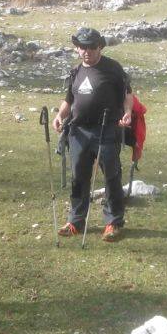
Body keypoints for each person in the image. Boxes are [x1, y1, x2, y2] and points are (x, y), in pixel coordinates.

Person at [52, 27, 132, 242]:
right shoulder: (76, 72)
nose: (86, 51)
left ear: (100, 47)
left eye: (91, 47)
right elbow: (69, 100)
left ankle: (113, 222)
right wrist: (59, 115)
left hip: (107, 130)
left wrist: (128, 112)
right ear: (77, 48)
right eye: (82, 47)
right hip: (78, 131)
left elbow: (127, 94)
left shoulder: (113, 69)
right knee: (78, 177)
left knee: (112, 176)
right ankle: (76, 221)